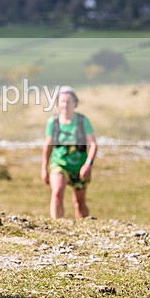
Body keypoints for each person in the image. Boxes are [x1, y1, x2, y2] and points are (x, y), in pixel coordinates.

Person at [41, 86, 98, 219]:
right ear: (58, 104)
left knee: (79, 203)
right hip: (59, 163)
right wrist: (44, 168)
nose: (65, 105)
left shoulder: (82, 121)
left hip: (80, 166)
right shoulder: (53, 122)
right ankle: (57, 225)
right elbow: (47, 146)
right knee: (57, 193)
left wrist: (88, 165)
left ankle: (84, 227)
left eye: (68, 101)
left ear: (75, 103)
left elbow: (93, 145)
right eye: (62, 101)